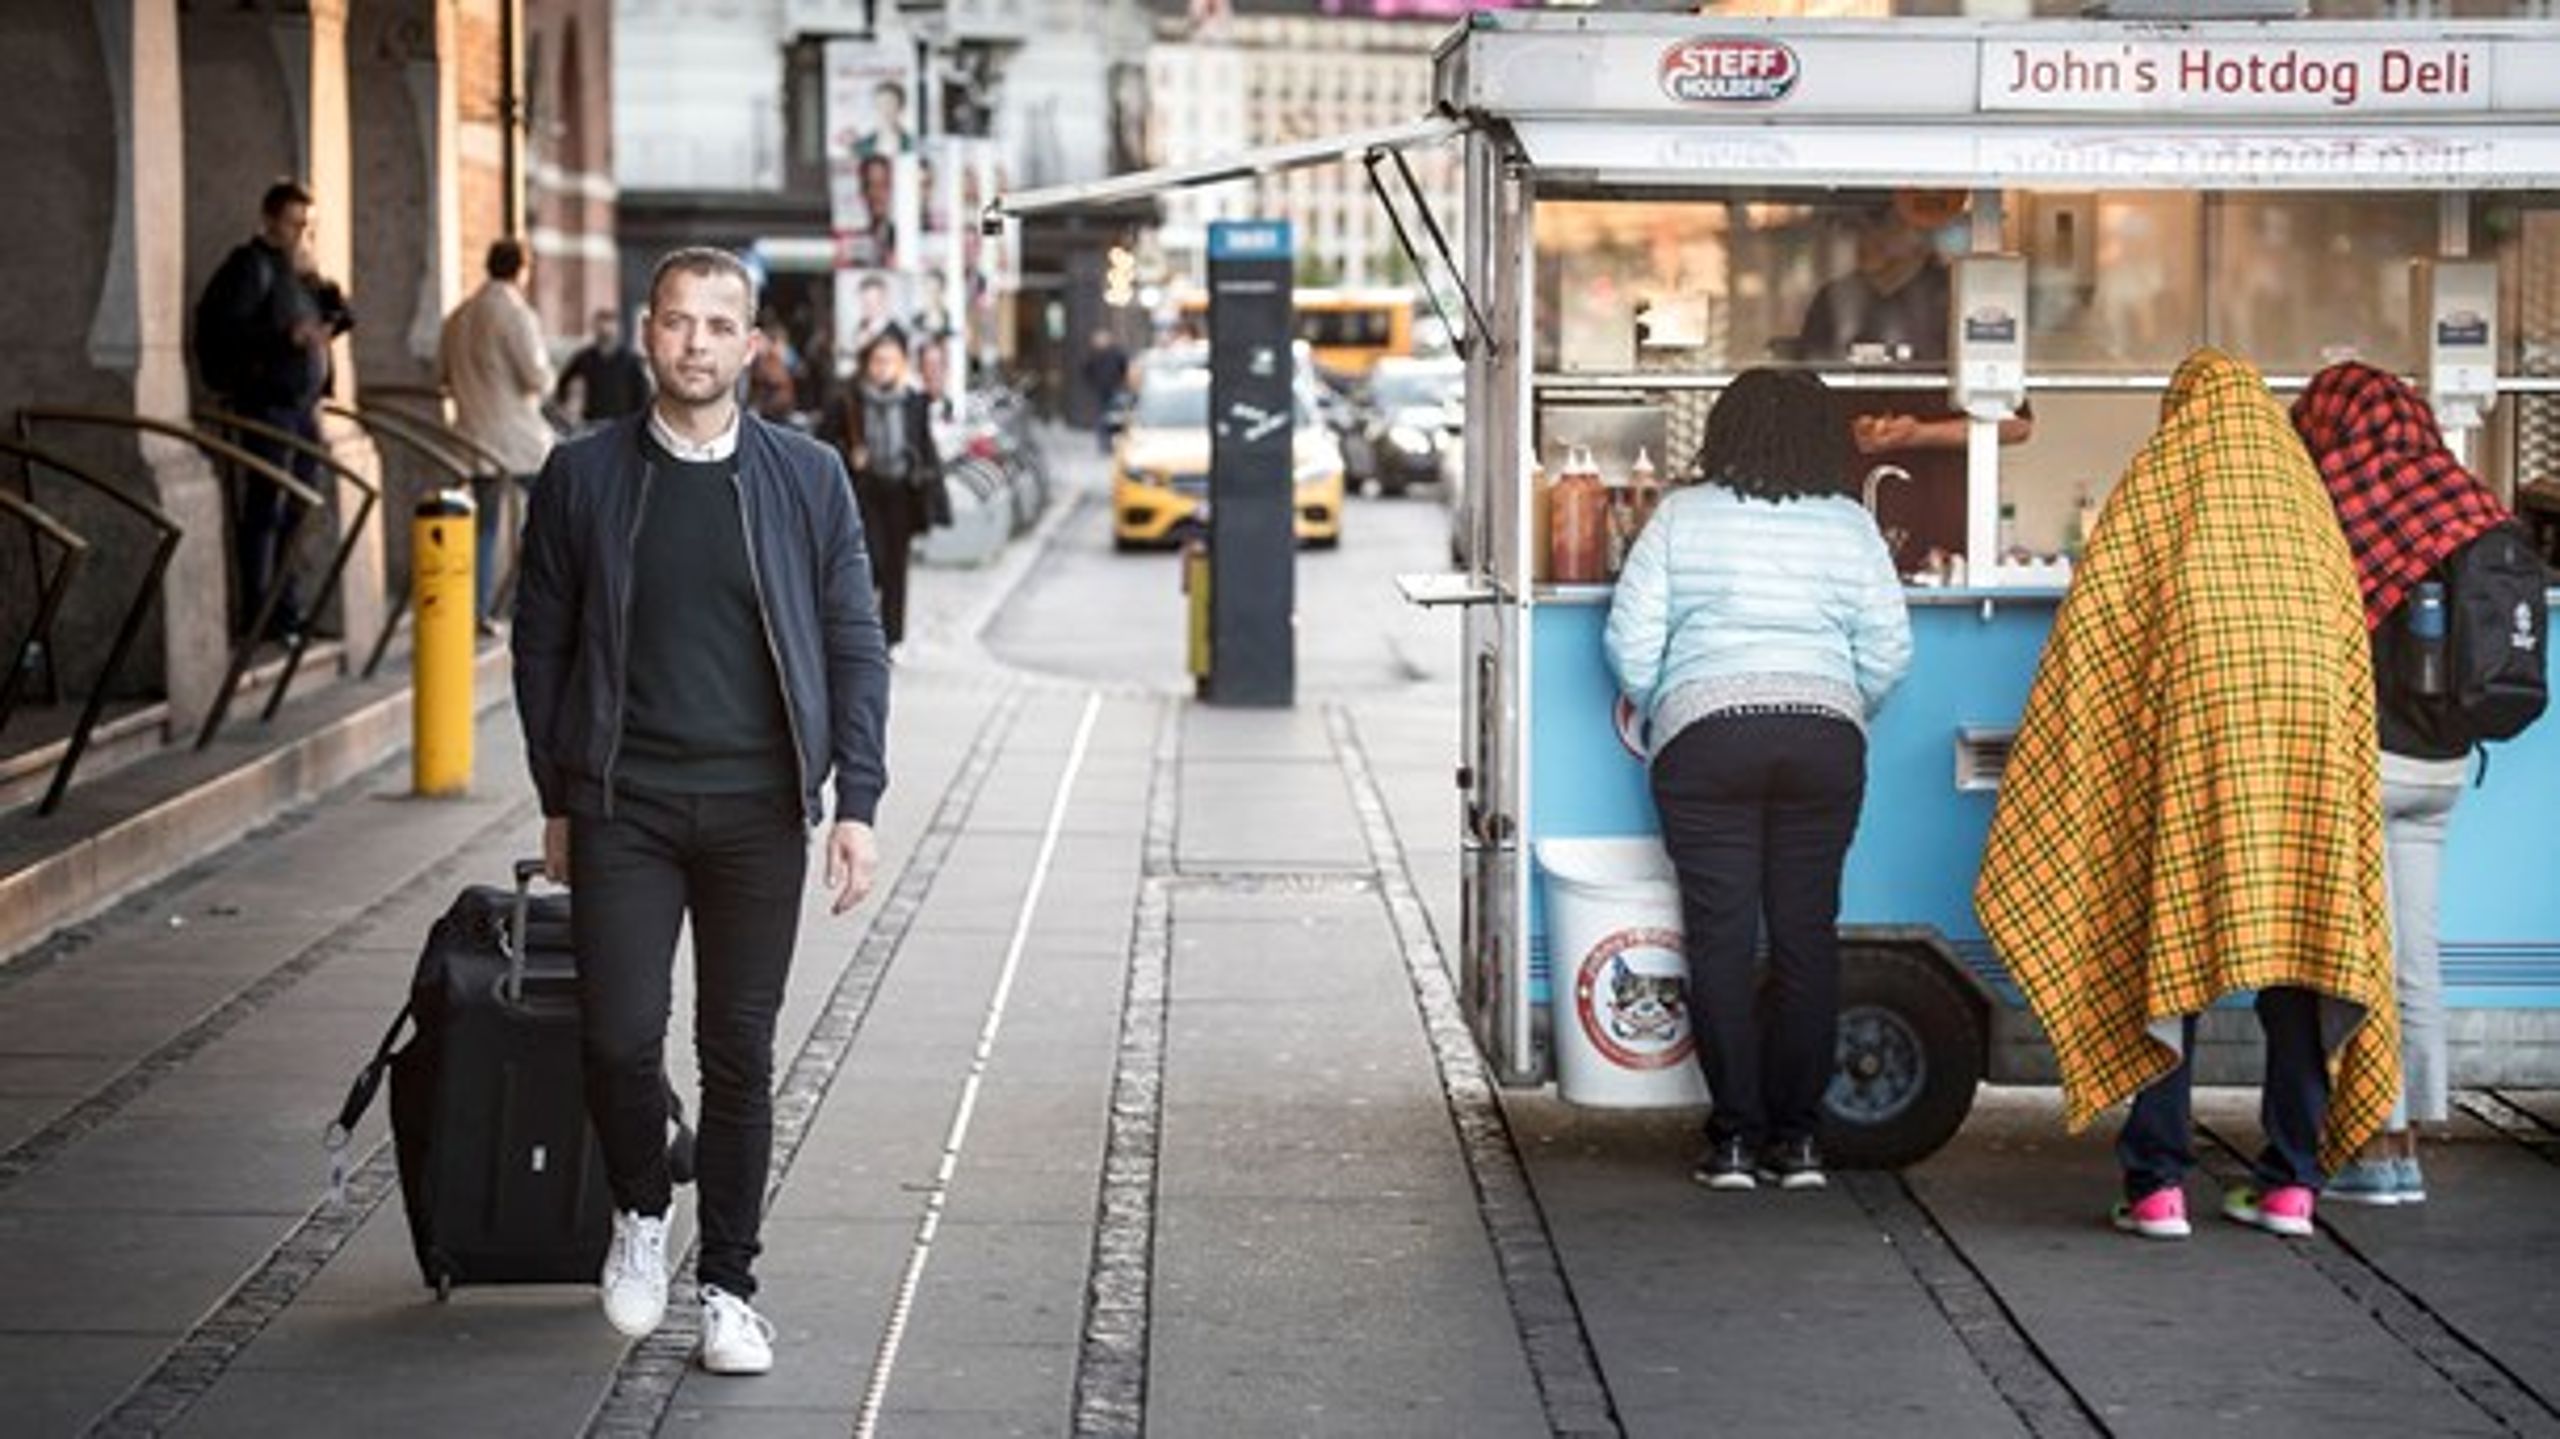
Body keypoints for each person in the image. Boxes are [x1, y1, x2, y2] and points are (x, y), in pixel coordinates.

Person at [511, 246, 890, 1375]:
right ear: (646, 332)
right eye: (678, 322)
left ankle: (729, 1284)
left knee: (737, 1052)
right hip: (624, 801)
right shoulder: (580, 478)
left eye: (719, 326)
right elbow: (542, 646)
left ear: (751, 346)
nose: (696, 344)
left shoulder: (808, 476)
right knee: (617, 1034)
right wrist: (560, 795)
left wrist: (855, 802)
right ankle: (640, 1204)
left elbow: (852, 641)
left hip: (757, 808)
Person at [1977, 348, 2397, 1243]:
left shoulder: (2163, 478)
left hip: (2190, 748)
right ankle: (2291, 1184)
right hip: (2306, 757)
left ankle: (2158, 1183)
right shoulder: (2302, 497)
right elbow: (2347, 641)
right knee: (2305, 950)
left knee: (2169, 946)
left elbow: (2098, 625)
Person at [1603, 368, 1911, 1192]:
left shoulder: (1680, 516)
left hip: (1706, 744)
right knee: (1807, 936)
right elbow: (1890, 651)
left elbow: (1629, 642)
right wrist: (1839, 705)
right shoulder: (1850, 526)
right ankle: (1800, 1141)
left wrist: (1671, 702)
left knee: (1722, 940)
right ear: (1823, 438)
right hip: (1822, 741)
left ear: (1724, 431)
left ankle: (1734, 1140)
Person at [2294, 361, 2515, 1207]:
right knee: (2416, 956)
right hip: (2446, 765)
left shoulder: (2345, 503)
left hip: (2372, 761)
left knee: (2359, 960)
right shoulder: (2467, 498)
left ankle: (2370, 1148)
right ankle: (2412, 1130)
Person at [1794, 193, 2032, 574]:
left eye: (1876, 228)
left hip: (1942, 517)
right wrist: (1848, 429)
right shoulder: (1834, 301)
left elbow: (2016, 424)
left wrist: (1918, 434)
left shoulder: (1960, 301)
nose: (1864, 241)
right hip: (1847, 513)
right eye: (1855, 230)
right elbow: (1800, 409)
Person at [192, 179, 351, 640]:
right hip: (267, 406)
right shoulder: (249, 268)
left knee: (298, 508)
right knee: (267, 508)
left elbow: (342, 318)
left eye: (307, 225)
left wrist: (324, 290)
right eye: (293, 223)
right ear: (268, 220)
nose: (301, 233)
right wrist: (286, 337)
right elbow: (224, 331)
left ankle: (287, 607)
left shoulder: (297, 272)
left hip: (303, 408)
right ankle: (260, 610)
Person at [439, 238, 556, 630]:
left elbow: (441, 376)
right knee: (554, 512)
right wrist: (550, 378)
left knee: (484, 527)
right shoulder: (515, 313)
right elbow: (536, 377)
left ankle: (478, 609)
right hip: (517, 438)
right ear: (521, 270)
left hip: (471, 435)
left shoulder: (458, 316)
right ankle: (531, 602)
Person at [821, 330, 945, 655]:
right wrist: (850, 456)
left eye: (890, 361)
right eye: (877, 360)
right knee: (870, 560)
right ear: (867, 364)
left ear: (902, 364)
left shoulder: (913, 401)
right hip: (864, 491)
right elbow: (820, 444)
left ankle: (891, 639)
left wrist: (930, 483)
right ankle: (862, 625)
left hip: (902, 490)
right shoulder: (849, 399)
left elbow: (924, 444)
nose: (883, 367)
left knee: (896, 566)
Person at [555, 308, 651, 426]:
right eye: (601, 327)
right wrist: (563, 405)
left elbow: (643, 393)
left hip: (623, 424)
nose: (605, 331)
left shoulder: (631, 360)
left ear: (617, 329)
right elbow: (564, 381)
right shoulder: (585, 357)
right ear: (594, 328)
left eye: (609, 327)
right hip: (591, 421)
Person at [1081, 328, 1130, 456]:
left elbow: (1124, 367)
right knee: (1102, 418)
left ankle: (1114, 444)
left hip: (1115, 389)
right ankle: (1104, 444)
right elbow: (1086, 370)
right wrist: (1093, 383)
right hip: (1101, 390)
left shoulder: (1116, 353)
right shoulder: (1094, 355)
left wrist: (1121, 382)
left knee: (1115, 418)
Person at [855, 80, 911, 157]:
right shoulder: (861, 147)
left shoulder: (912, 144)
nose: (884, 110)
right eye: (879, 104)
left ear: (900, 107)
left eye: (889, 103)